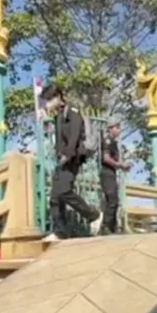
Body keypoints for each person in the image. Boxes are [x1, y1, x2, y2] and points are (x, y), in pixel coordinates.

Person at [41, 83, 102, 241]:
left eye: (49, 100)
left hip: (72, 158)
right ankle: (60, 232)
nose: (47, 104)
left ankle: (93, 215)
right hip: (62, 160)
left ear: (58, 97)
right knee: (54, 197)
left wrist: (67, 155)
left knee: (64, 191)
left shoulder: (73, 112)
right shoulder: (58, 116)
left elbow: (74, 137)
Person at [99, 115, 129, 234]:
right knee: (112, 200)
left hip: (111, 172)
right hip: (107, 172)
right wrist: (120, 165)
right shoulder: (107, 140)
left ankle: (112, 227)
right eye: (117, 127)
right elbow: (106, 158)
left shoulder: (113, 142)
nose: (119, 130)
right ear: (111, 128)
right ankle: (106, 226)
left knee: (113, 200)